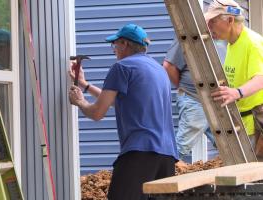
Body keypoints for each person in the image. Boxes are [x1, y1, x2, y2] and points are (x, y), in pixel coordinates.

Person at [68, 24, 178, 200]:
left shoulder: (122, 67)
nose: (114, 50)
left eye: (115, 45)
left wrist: (79, 101)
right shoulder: (158, 70)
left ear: (124, 44)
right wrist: (85, 85)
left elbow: (97, 112)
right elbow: (119, 101)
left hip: (140, 152)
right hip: (167, 155)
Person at [205, 0, 263, 158]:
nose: (209, 27)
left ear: (230, 20)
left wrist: (236, 92)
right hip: (244, 120)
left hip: (257, 121)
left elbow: (261, 78)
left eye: (213, 22)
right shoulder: (231, 43)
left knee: (255, 177)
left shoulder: (252, 43)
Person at [163, 37, 226, 161]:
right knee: (182, 145)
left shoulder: (223, 39)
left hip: (217, 102)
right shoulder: (187, 36)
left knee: (226, 145)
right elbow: (169, 65)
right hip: (194, 98)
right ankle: (158, 173)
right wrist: (185, 88)